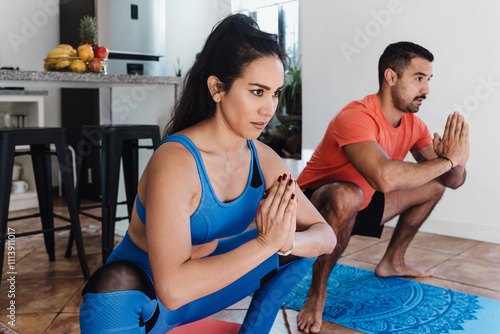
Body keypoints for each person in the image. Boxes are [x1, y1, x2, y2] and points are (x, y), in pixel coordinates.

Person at [79, 13, 335, 334]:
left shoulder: (263, 159)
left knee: (297, 251)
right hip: (150, 303)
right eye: (257, 91)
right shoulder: (176, 161)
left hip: (207, 290)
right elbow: (171, 291)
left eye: (275, 93)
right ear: (217, 88)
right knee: (111, 286)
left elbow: (326, 236)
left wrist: (283, 242)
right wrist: (267, 242)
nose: (269, 109)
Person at [295, 41, 469, 333]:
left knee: (432, 187)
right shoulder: (356, 116)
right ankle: (317, 291)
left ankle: (393, 261)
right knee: (347, 194)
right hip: (312, 208)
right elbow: (383, 178)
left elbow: (449, 182)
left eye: (428, 80)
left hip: (361, 202)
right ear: (391, 77)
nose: (426, 90)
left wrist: (457, 159)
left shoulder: (415, 126)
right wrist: (446, 161)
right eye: (418, 78)